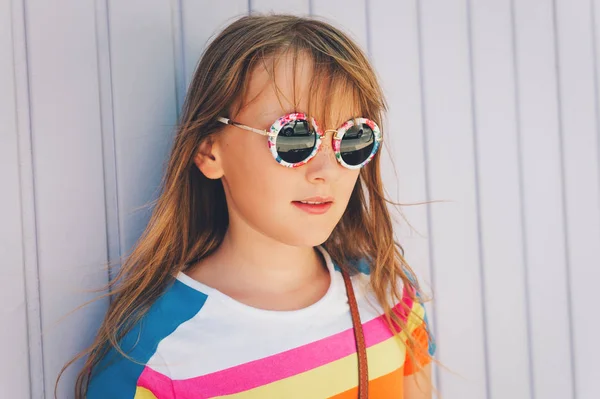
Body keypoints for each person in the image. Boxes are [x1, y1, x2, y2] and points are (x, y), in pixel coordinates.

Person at [57, 13, 437, 399]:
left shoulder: (389, 292)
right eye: (294, 138)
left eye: (353, 139)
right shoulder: (151, 357)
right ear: (209, 150)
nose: (326, 170)